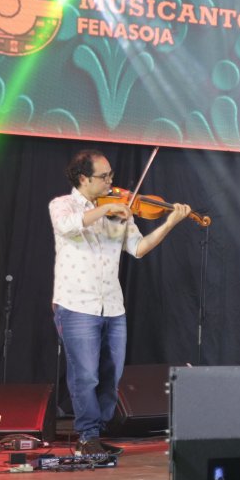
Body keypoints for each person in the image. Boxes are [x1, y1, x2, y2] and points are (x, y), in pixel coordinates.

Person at [50, 150, 192, 457]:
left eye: (111, 176)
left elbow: (139, 248)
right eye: (104, 177)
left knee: (111, 377)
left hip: (113, 306)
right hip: (76, 304)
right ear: (83, 178)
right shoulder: (63, 205)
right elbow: (68, 226)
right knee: (85, 375)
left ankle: (97, 433)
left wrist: (170, 223)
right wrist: (106, 209)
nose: (111, 182)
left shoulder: (119, 211)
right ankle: (87, 436)